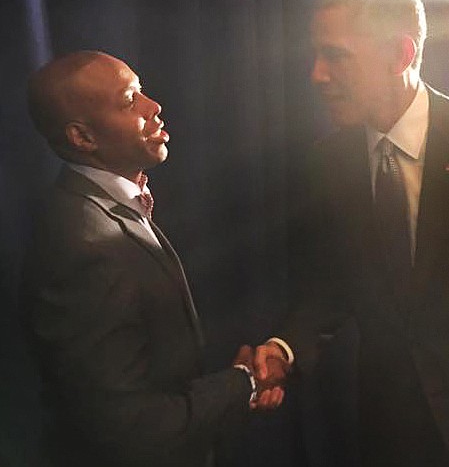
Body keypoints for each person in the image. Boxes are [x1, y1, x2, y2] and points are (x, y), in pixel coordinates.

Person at [21, 50, 283, 467]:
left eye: (142, 92)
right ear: (82, 138)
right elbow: (130, 428)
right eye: (130, 102)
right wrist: (243, 384)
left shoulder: (107, 206)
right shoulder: (83, 244)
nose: (154, 107)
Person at [255, 0, 449, 467]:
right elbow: (330, 284)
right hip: (391, 427)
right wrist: (284, 348)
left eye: (336, 56)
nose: (316, 75)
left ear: (399, 55)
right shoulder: (327, 163)